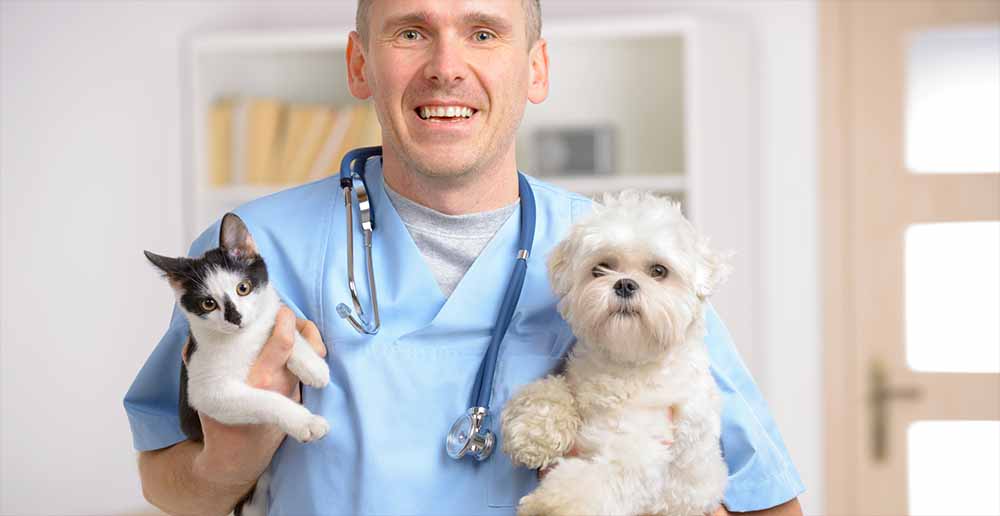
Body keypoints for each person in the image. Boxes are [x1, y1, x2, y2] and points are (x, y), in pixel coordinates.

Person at [126, 1, 805, 514]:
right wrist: (226, 467)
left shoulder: (623, 253)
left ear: (535, 69)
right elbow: (163, 468)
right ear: (360, 65)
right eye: (411, 31)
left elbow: (771, 499)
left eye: (483, 32)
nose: (446, 66)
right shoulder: (258, 253)